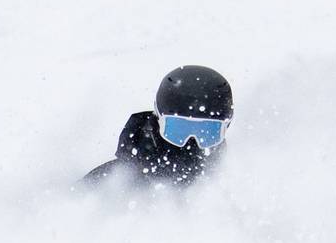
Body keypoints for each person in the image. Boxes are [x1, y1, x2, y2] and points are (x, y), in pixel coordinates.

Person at [83, 65, 234, 188]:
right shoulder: (111, 185)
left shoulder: (233, 187)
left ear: (226, 128)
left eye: (207, 132)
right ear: (157, 119)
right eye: (177, 129)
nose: (191, 143)